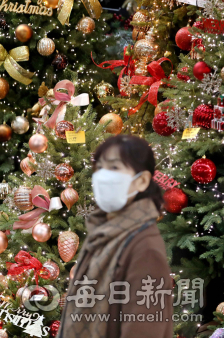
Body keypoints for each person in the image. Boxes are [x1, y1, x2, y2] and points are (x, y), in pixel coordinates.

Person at [58, 135, 173, 338]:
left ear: (142, 181)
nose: (103, 176)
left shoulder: (144, 248)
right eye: (100, 167)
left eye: (114, 168)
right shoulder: (102, 233)